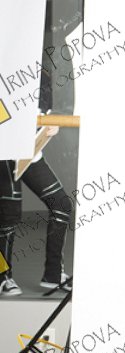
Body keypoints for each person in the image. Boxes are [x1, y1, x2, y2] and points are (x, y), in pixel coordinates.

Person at [0, 65, 72, 296]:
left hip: (30, 153)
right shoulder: (7, 66)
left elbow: (46, 111)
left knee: (61, 205)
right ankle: (3, 277)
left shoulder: (42, 74)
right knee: (8, 216)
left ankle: (53, 275)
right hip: (4, 154)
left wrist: (51, 123)